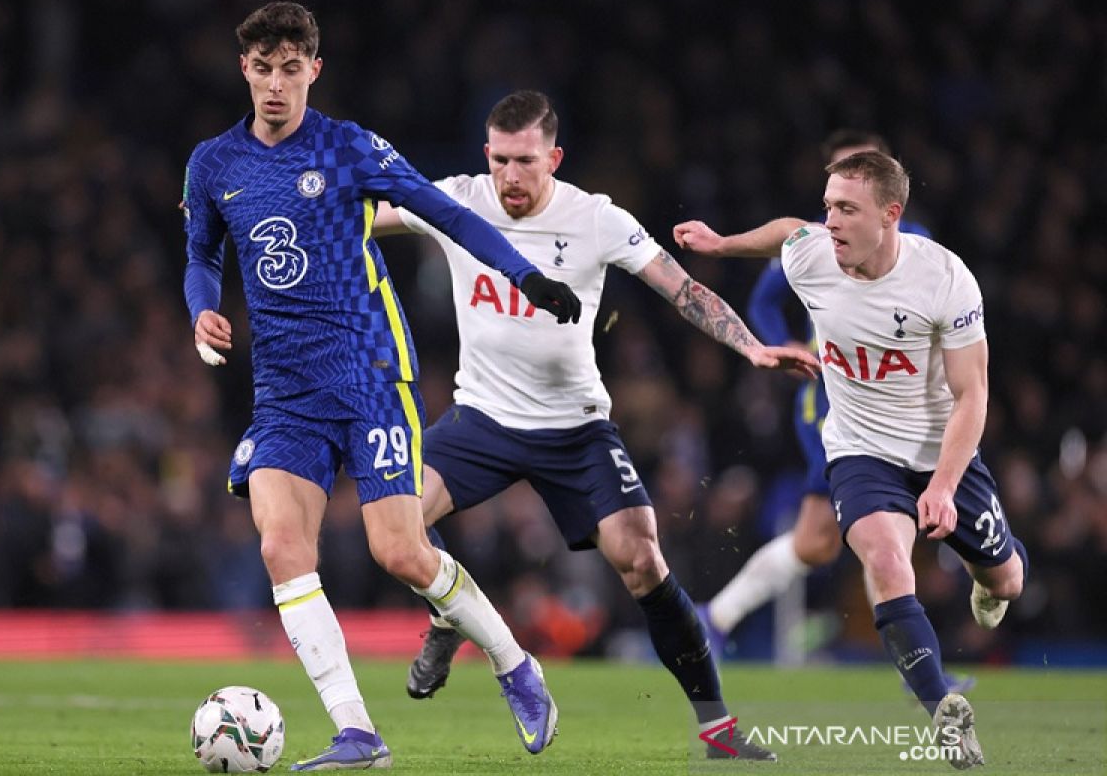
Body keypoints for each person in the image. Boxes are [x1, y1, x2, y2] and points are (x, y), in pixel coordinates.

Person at [183, 4, 583, 770]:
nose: (275, 84)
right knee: (280, 545)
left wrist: (527, 275)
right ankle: (357, 732)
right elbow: (200, 254)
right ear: (245, 70)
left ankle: (515, 666)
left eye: (290, 68)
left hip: (369, 374)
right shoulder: (213, 164)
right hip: (286, 392)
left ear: (314, 71)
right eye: (262, 68)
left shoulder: (348, 147)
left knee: (400, 551)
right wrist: (203, 311)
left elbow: (447, 213)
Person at [373, 90, 819, 761]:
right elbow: (357, 219)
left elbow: (682, 290)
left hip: (575, 429)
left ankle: (718, 728)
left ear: (554, 156)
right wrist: (248, 207)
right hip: (482, 419)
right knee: (394, 521)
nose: (510, 178)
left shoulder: (595, 218)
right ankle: (452, 614)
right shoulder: (458, 198)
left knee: (641, 560)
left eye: (524, 161)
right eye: (499, 160)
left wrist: (751, 347)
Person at [674, 150, 1028, 769]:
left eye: (847, 209)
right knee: (888, 563)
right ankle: (943, 709)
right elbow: (787, 231)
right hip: (859, 450)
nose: (830, 222)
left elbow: (973, 395)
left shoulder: (944, 278)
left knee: (1007, 579)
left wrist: (944, 486)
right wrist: (722, 244)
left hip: (941, 452)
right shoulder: (813, 255)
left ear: (891, 214)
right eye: (829, 205)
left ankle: (988, 578)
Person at [697, 131, 973, 697]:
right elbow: (764, 298)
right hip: (830, 406)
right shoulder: (820, 247)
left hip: (898, 409)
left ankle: (715, 618)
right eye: (835, 198)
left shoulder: (920, 250)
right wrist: (782, 346)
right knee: (872, 535)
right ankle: (918, 673)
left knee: (822, 540)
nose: (838, 212)